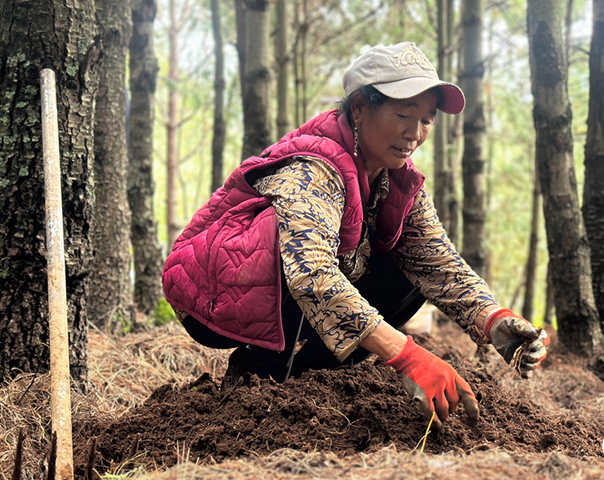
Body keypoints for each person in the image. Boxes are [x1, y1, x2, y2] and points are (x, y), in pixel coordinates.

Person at [162, 42, 548, 429]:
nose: (414, 133)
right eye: (402, 114)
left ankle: (284, 374)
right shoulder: (315, 166)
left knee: (409, 267)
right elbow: (311, 275)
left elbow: (437, 261)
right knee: (307, 257)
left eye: (427, 120)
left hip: (274, 291)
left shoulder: (397, 177)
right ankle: (262, 372)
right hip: (214, 296)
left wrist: (494, 319)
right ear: (360, 109)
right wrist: (407, 356)